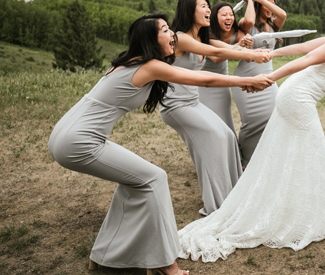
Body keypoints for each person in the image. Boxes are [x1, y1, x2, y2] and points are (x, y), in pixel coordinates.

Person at [48, 14, 272, 275]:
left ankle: (103, 257)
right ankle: (167, 266)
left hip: (67, 134)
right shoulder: (150, 66)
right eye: (165, 30)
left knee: (135, 183)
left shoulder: (131, 62)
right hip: (78, 140)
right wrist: (248, 80)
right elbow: (205, 80)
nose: (172, 35)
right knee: (154, 179)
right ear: (150, 40)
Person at [178, 5, 325, 261]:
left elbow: (303, 46)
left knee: (296, 154)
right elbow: (306, 59)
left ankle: (290, 210)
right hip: (298, 97)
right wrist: (269, 78)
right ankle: (295, 217)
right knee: (313, 154)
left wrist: (268, 53)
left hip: (298, 96)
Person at [161, 0, 272, 216]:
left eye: (208, 6)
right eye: (203, 6)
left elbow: (226, 48)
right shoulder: (181, 37)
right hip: (176, 105)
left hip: (192, 102)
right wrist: (250, 56)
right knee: (214, 143)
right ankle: (218, 204)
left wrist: (251, 51)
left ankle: (234, 192)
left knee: (228, 137)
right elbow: (217, 52)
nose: (208, 10)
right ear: (189, 11)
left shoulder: (200, 37)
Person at [232, 0, 287, 166]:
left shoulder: (273, 25)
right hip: (246, 76)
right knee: (251, 122)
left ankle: (264, 158)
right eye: (265, 4)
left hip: (268, 77)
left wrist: (263, 1)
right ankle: (244, 160)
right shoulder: (247, 24)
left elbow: (283, 15)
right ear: (257, 5)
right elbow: (248, 19)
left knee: (272, 117)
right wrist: (251, 0)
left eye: (272, 4)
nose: (270, 8)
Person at [198, 2, 253, 136]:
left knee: (226, 120)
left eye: (231, 14)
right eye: (224, 15)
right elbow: (216, 57)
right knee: (209, 122)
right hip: (203, 82)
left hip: (222, 81)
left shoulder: (237, 33)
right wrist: (239, 46)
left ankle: (231, 151)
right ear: (215, 18)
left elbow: (247, 58)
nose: (229, 17)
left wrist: (248, 46)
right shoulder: (207, 34)